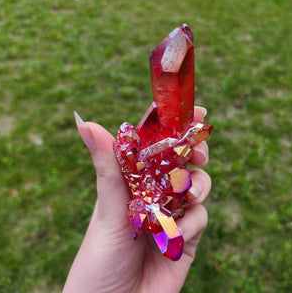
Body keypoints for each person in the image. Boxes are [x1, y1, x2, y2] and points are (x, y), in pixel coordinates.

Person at [63, 106, 212, 293]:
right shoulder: (135, 162)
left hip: (158, 195)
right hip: (151, 203)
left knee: (180, 184)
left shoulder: (155, 157)